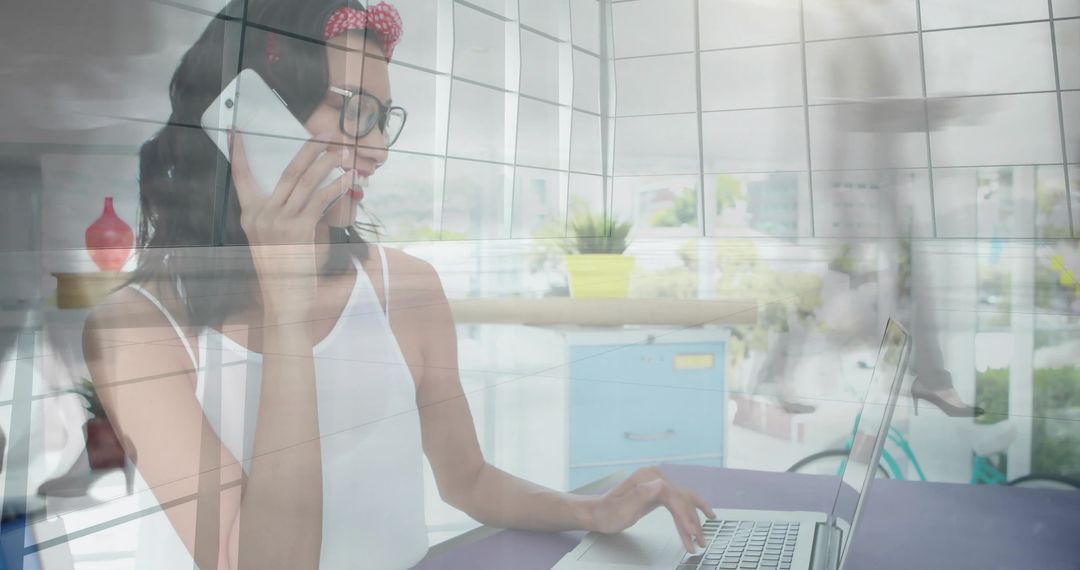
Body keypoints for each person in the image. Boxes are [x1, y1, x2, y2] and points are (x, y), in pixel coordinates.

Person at [82, 1, 714, 569]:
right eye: (355, 111)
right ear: (246, 119)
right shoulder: (137, 330)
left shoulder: (408, 289)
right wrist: (288, 302)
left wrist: (592, 510)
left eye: (383, 119)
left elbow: (467, 479)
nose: (379, 149)